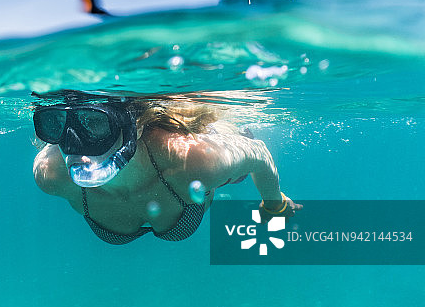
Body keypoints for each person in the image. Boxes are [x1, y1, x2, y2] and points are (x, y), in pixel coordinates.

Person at [32, 90, 301, 244]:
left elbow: (260, 153)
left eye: (96, 123)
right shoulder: (51, 174)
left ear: (135, 126)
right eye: (54, 125)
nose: (72, 144)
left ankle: (234, 133)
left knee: (234, 167)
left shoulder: (193, 160)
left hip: (198, 153)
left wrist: (274, 204)